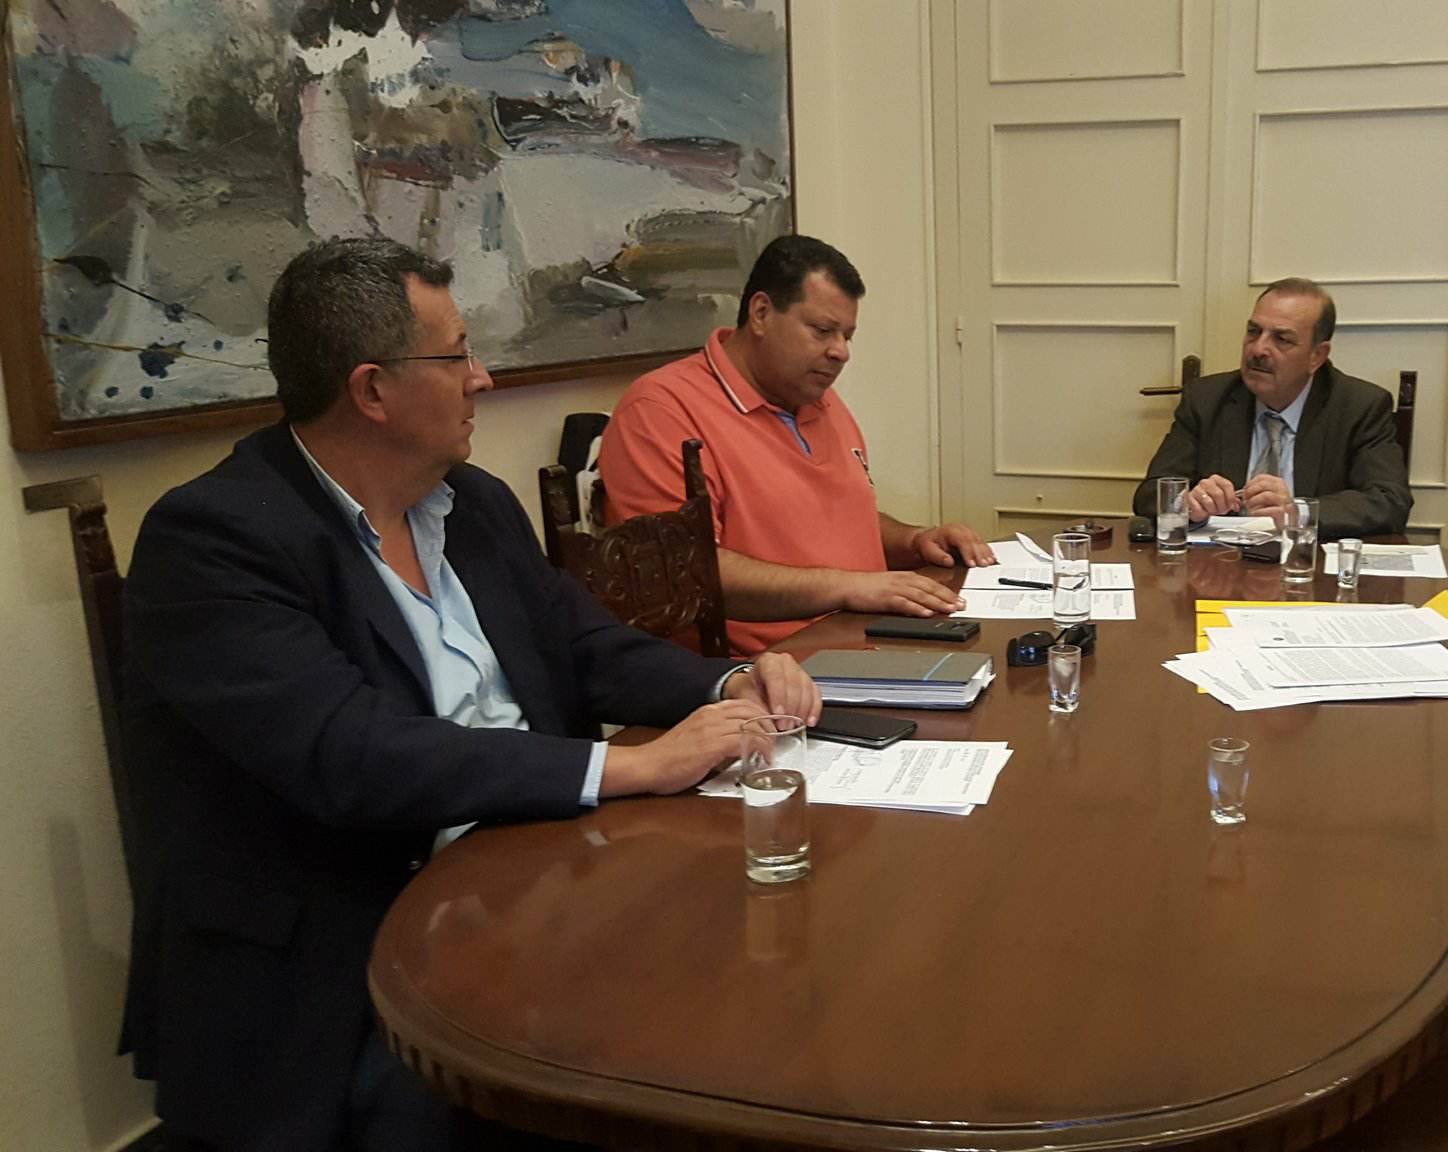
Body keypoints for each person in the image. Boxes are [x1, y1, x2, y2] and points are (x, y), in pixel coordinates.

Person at [119, 237, 821, 1151]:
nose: (482, 378)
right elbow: (354, 754)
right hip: (347, 951)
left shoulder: (471, 502)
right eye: (456, 357)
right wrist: (628, 766)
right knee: (671, 1063)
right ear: (373, 391)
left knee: (765, 982)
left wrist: (729, 680)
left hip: (536, 881)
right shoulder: (215, 541)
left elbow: (582, 643)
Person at [597, 235, 995, 655]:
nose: (840, 352)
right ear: (762, 313)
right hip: (763, 670)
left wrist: (914, 541)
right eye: (822, 331)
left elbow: (839, 517)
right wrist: (851, 588)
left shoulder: (816, 397)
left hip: (870, 644)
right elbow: (682, 572)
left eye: (847, 336)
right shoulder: (661, 410)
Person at [1132, 278, 1412, 537]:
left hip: (1306, 564)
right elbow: (1149, 494)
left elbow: (1389, 501)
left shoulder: (1359, 406)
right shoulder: (1207, 399)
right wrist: (1187, 503)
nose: (1258, 349)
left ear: (1317, 355)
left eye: (1282, 339)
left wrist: (1298, 512)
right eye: (1254, 332)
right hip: (1219, 562)